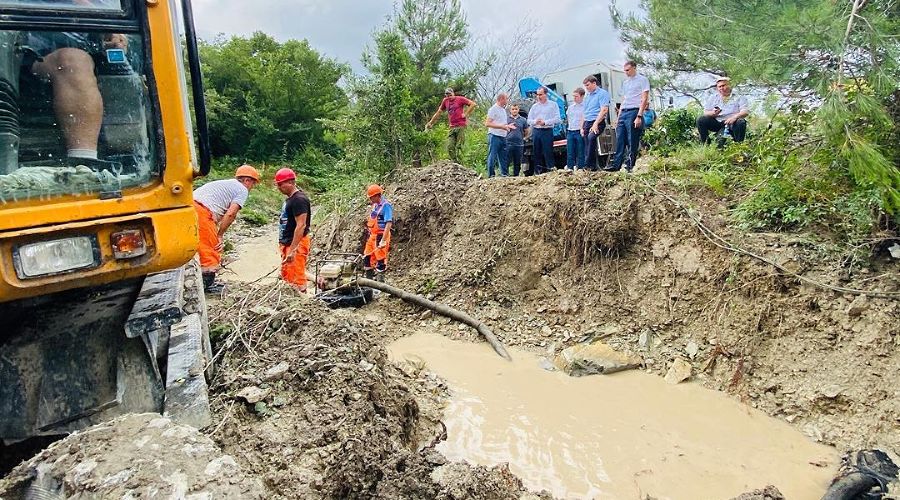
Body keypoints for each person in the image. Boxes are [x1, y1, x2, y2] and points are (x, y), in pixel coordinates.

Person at [24, 29, 128, 168]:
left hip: (93, 61)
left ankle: (84, 167)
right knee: (72, 60)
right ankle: (83, 165)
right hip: (25, 59)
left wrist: (116, 37)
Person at [193, 164, 260, 292]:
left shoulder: (225, 184)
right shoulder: (242, 189)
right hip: (201, 212)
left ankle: (193, 278)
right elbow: (231, 214)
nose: (252, 187)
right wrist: (219, 235)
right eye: (253, 183)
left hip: (189, 208)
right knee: (211, 250)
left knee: (194, 247)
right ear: (247, 180)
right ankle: (205, 285)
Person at [608, 60, 650, 173]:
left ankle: (629, 165)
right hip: (624, 111)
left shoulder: (642, 80)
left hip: (634, 111)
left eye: (628, 70)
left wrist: (639, 115)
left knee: (632, 139)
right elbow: (624, 100)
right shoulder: (625, 83)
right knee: (620, 139)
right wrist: (618, 117)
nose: (626, 72)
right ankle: (616, 165)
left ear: (634, 68)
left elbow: (644, 99)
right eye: (625, 71)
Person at [275, 167, 312, 292]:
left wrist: (293, 249)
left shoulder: (299, 200)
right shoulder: (291, 199)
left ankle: (301, 299)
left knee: (296, 278)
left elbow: (301, 225)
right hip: (288, 243)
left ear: (290, 182)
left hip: (296, 244)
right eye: (278, 184)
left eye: (281, 184)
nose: (279, 187)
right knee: (288, 276)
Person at [425, 87, 477, 163]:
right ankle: (455, 162)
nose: (449, 97)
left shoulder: (460, 99)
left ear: (453, 93)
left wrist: (466, 114)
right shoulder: (445, 101)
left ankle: (462, 162)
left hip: (461, 125)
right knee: (450, 146)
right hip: (452, 126)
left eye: (450, 95)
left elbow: (473, 104)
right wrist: (431, 122)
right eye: (447, 95)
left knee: (460, 146)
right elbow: (439, 112)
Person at [697, 77, 749, 145]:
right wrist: (713, 113)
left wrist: (734, 117)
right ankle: (705, 144)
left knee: (741, 121)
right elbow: (706, 112)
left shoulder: (739, 97)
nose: (721, 88)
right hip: (718, 122)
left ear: (730, 85)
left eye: (723, 85)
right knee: (701, 119)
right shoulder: (713, 97)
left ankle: (739, 145)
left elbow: (745, 112)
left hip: (732, 122)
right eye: (719, 87)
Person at [526, 87, 561, 175]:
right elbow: (528, 120)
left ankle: (551, 171)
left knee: (548, 152)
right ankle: (538, 172)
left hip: (547, 131)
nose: (538, 97)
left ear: (546, 94)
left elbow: (557, 119)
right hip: (536, 131)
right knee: (537, 152)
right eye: (537, 95)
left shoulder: (553, 105)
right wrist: (535, 121)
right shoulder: (534, 106)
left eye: (540, 94)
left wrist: (545, 122)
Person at [363, 184, 393, 281]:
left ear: (377, 195)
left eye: (371, 197)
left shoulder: (386, 206)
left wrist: (383, 240)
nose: (370, 199)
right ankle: (369, 284)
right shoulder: (375, 206)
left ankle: (380, 284)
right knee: (367, 258)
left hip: (381, 235)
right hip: (372, 236)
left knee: (380, 261)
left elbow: (388, 223)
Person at [581, 75, 611, 171]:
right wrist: (582, 127)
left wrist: (596, 123)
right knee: (587, 143)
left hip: (598, 121)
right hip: (587, 121)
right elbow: (584, 112)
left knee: (591, 138)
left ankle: (588, 165)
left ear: (594, 83)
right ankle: (592, 167)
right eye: (585, 86)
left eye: (588, 85)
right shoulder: (587, 96)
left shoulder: (602, 93)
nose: (586, 88)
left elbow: (604, 110)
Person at [484, 93, 515, 177]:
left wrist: (508, 126)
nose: (507, 100)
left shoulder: (503, 110)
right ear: (501, 99)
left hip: (503, 136)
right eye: (506, 99)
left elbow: (502, 123)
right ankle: (491, 175)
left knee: (503, 156)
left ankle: (504, 174)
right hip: (494, 135)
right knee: (492, 156)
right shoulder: (493, 109)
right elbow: (487, 123)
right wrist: (502, 126)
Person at [505, 104, 529, 177]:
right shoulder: (506, 119)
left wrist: (524, 138)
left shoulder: (523, 120)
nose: (514, 111)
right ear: (510, 110)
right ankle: (505, 176)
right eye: (513, 109)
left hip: (519, 144)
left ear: (518, 110)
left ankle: (516, 176)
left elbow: (526, 131)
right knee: (506, 161)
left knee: (517, 162)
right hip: (508, 143)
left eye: (516, 109)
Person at [565, 87, 586, 171]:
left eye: (576, 96)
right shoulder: (571, 107)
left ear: (582, 96)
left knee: (580, 150)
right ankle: (570, 167)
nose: (574, 98)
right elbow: (568, 118)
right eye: (573, 96)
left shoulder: (585, 107)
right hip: (570, 130)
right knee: (570, 150)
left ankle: (580, 167)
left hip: (579, 130)